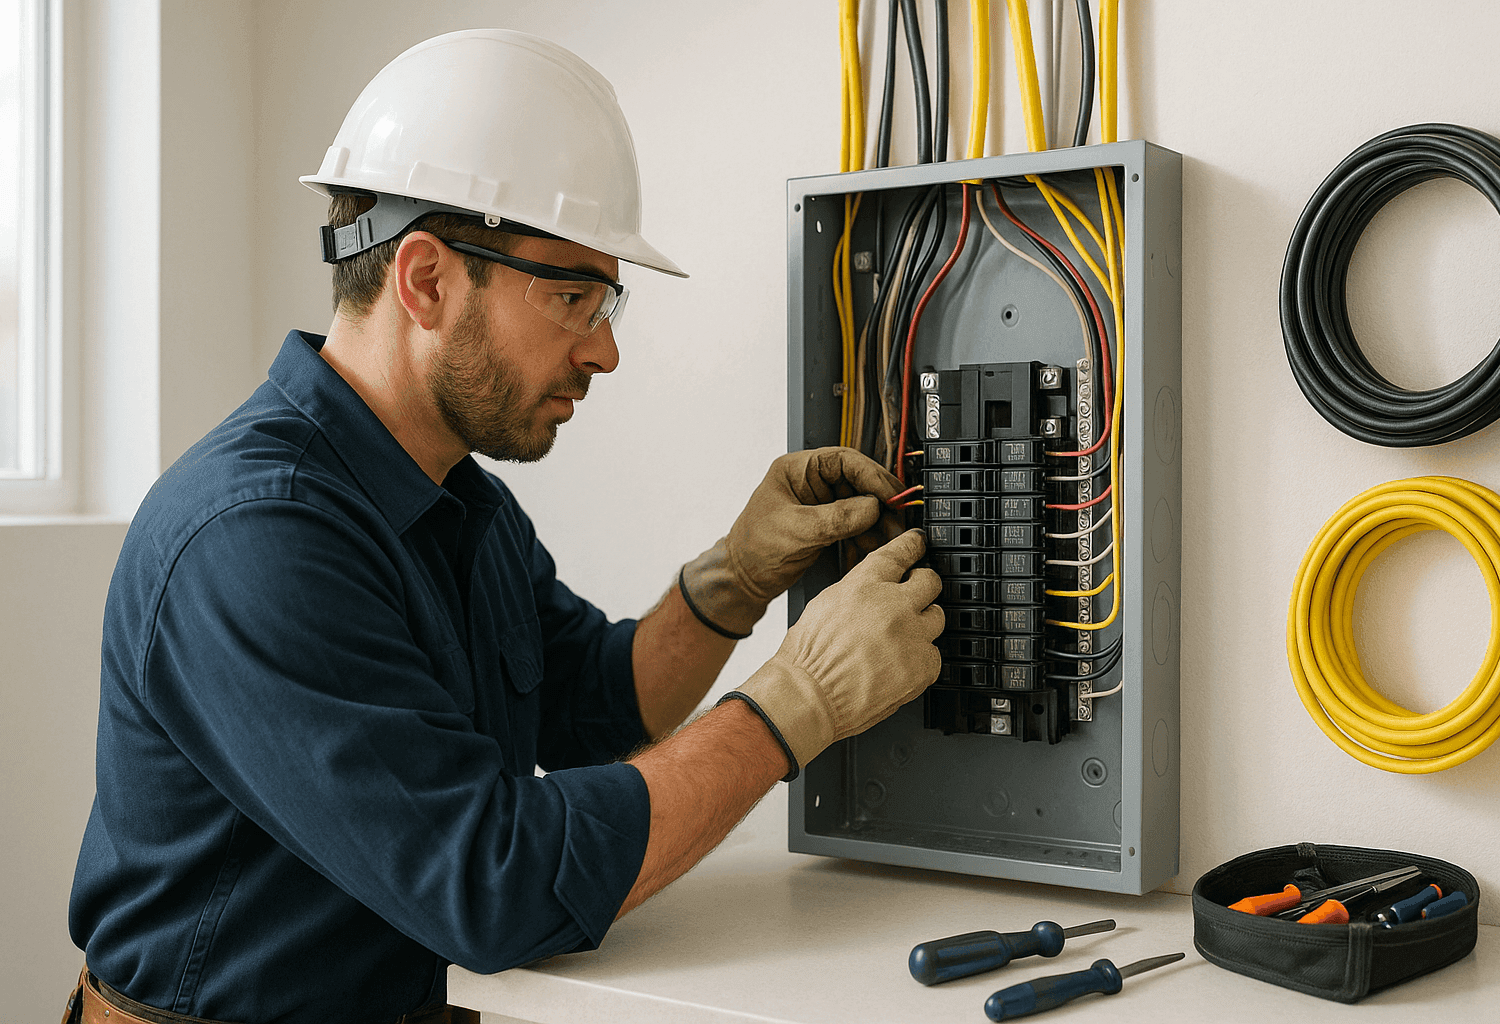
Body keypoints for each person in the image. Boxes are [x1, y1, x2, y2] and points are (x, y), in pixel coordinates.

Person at [65, 29, 943, 1024]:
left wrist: (736, 575)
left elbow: (600, 704)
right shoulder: (256, 540)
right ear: (427, 280)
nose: (605, 350)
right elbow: (492, 886)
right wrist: (802, 700)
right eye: (574, 296)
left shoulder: (456, 500)